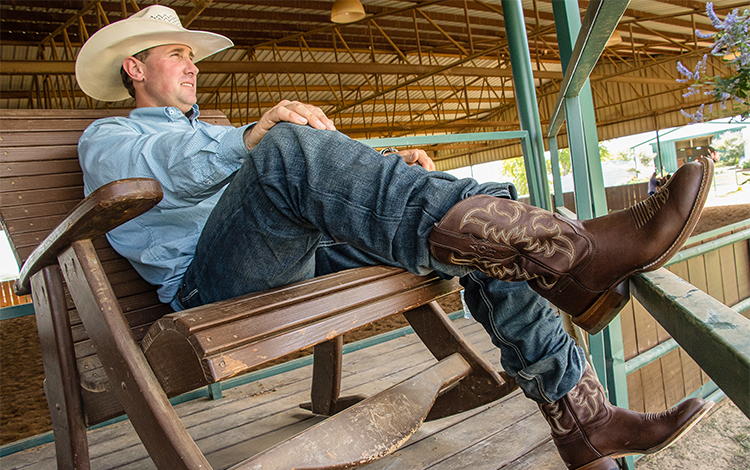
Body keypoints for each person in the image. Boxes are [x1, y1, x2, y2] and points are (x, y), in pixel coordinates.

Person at [74, 7, 715, 470]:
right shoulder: (111, 139)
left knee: (478, 222)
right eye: (176, 54)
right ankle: (574, 258)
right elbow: (171, 169)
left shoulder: (215, 132)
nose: (191, 65)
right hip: (206, 286)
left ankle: (585, 421)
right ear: (135, 67)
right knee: (289, 148)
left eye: (191, 55)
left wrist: (389, 171)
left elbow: (300, 190)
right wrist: (251, 139)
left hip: (297, 254)